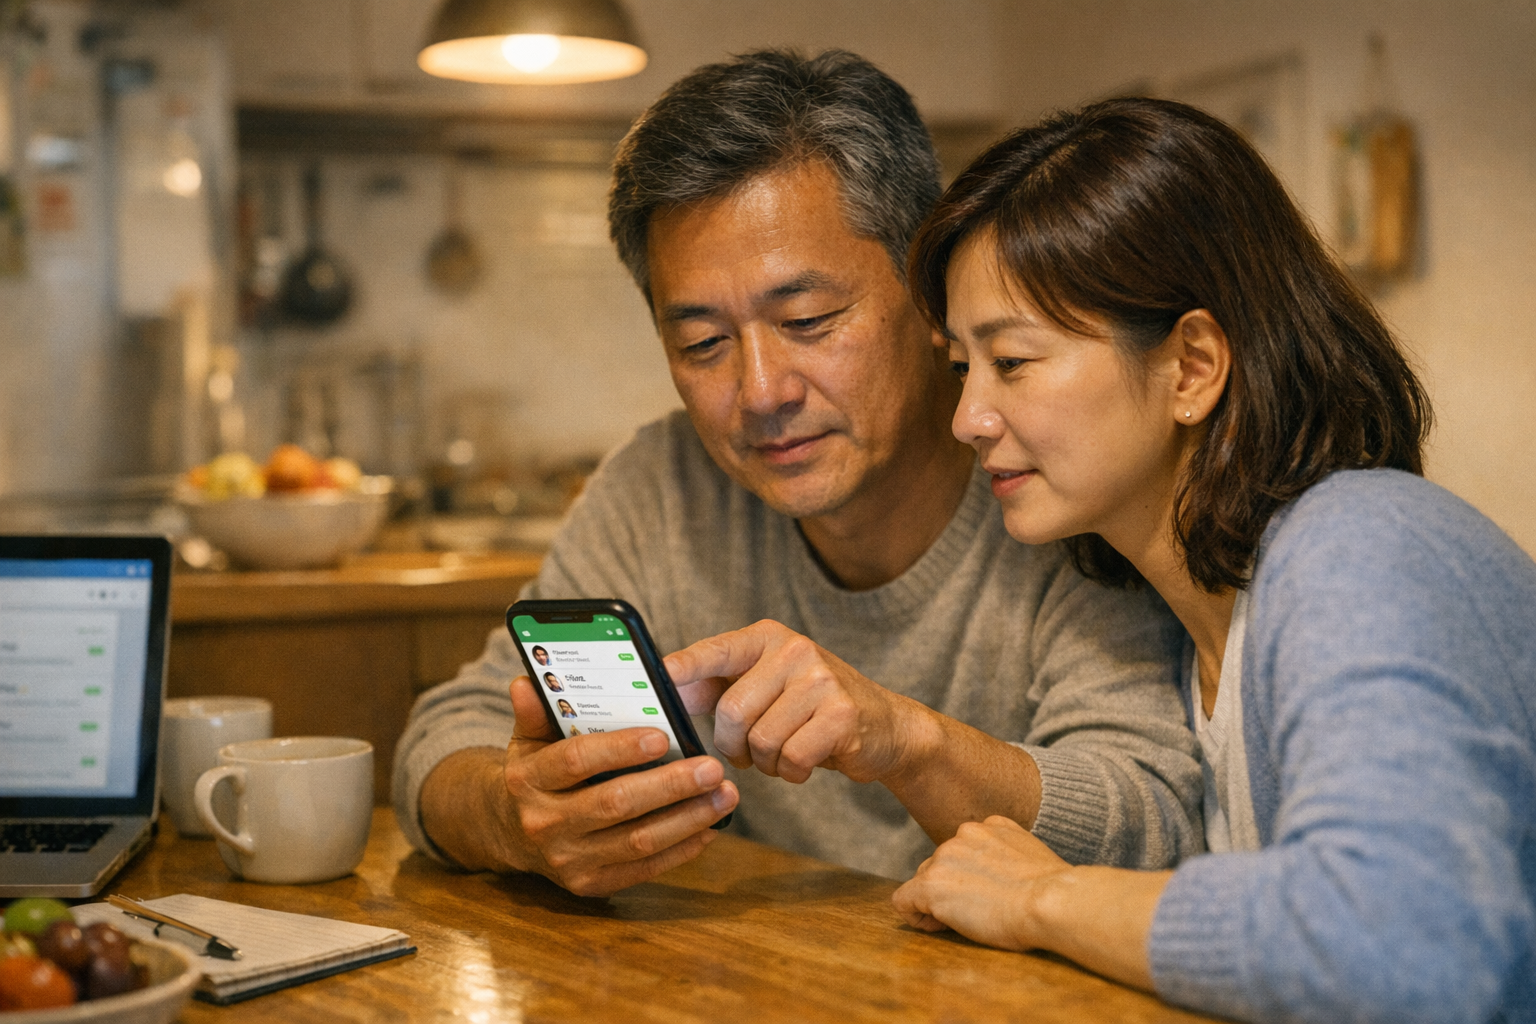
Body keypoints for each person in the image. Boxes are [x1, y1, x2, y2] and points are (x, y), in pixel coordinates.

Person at [393, 50, 1202, 898]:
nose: (761, 392)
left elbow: (1150, 812)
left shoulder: (1054, 476)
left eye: (809, 320)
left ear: (931, 294)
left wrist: (905, 740)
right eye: (702, 344)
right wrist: (518, 815)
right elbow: (446, 737)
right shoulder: (667, 486)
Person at [890, 97, 1536, 1024]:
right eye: (962, 368)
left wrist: (1040, 897)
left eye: (1014, 362)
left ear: (1192, 366)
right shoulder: (1175, 625)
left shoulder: (1359, 544)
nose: (967, 419)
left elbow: (1405, 947)